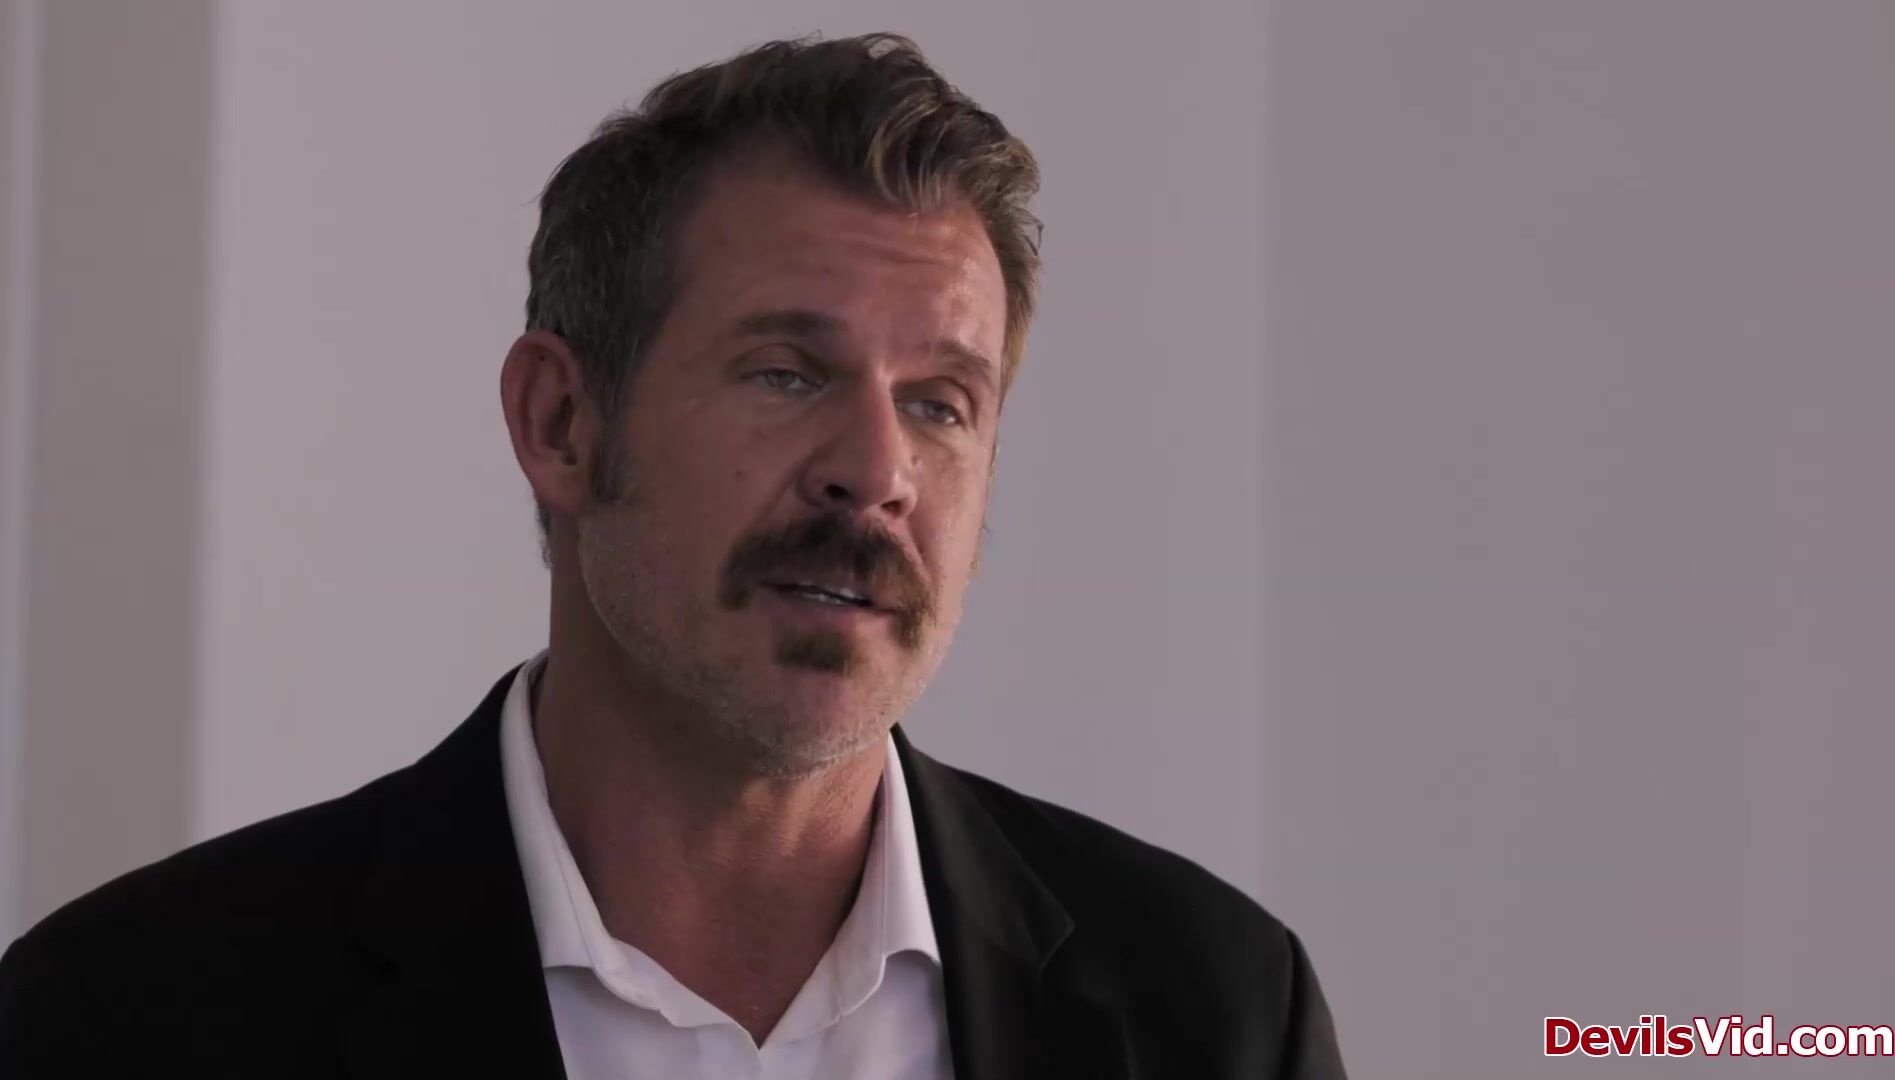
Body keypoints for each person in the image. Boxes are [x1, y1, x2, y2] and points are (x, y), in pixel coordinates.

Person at [0, 32, 1345, 1078]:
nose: (875, 472)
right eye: (785, 372)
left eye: (942, 404)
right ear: (561, 424)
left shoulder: (1218, 1010)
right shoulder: (135, 1016)